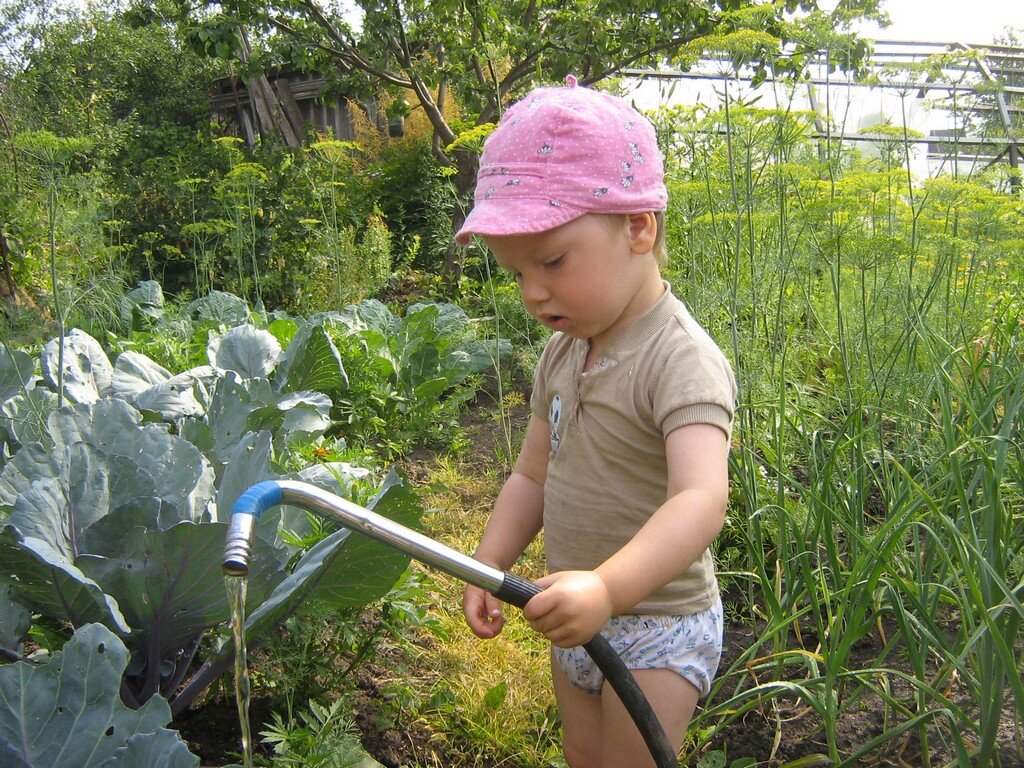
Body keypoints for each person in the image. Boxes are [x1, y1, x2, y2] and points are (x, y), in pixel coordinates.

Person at [456, 75, 737, 768]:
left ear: (638, 227)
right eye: (516, 272)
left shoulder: (681, 359)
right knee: (585, 758)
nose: (533, 291)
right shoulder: (563, 349)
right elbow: (531, 473)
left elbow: (701, 499)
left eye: (551, 261)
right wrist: (489, 562)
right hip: (574, 610)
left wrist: (608, 587)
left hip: (658, 626)